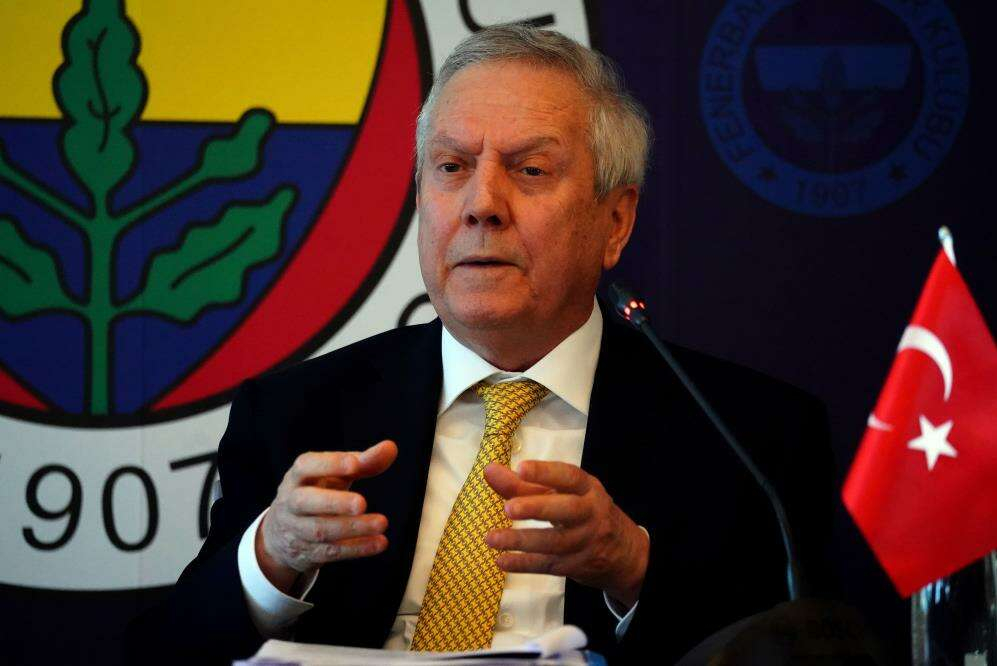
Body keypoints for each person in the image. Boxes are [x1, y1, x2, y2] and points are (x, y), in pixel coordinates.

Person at [128, 24, 834, 664]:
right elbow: (168, 653)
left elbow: (797, 651)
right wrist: (272, 557)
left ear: (615, 222)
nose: (482, 204)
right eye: (452, 167)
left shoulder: (746, 433)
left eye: (530, 170)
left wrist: (633, 568)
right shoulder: (298, 412)